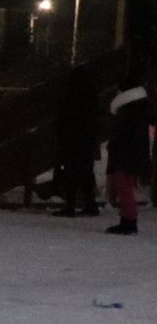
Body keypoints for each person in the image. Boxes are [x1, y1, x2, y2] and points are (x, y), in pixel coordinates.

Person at [104, 66, 151, 236]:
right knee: (125, 187)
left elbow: (123, 134)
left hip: (126, 154)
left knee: (124, 187)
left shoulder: (128, 112)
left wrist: (115, 147)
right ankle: (128, 219)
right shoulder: (138, 110)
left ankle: (129, 221)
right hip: (133, 154)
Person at [51, 67, 102, 217]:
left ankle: (70, 205)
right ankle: (90, 204)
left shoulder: (70, 94)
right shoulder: (91, 95)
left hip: (71, 140)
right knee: (86, 173)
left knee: (71, 173)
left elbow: (63, 117)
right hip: (87, 140)